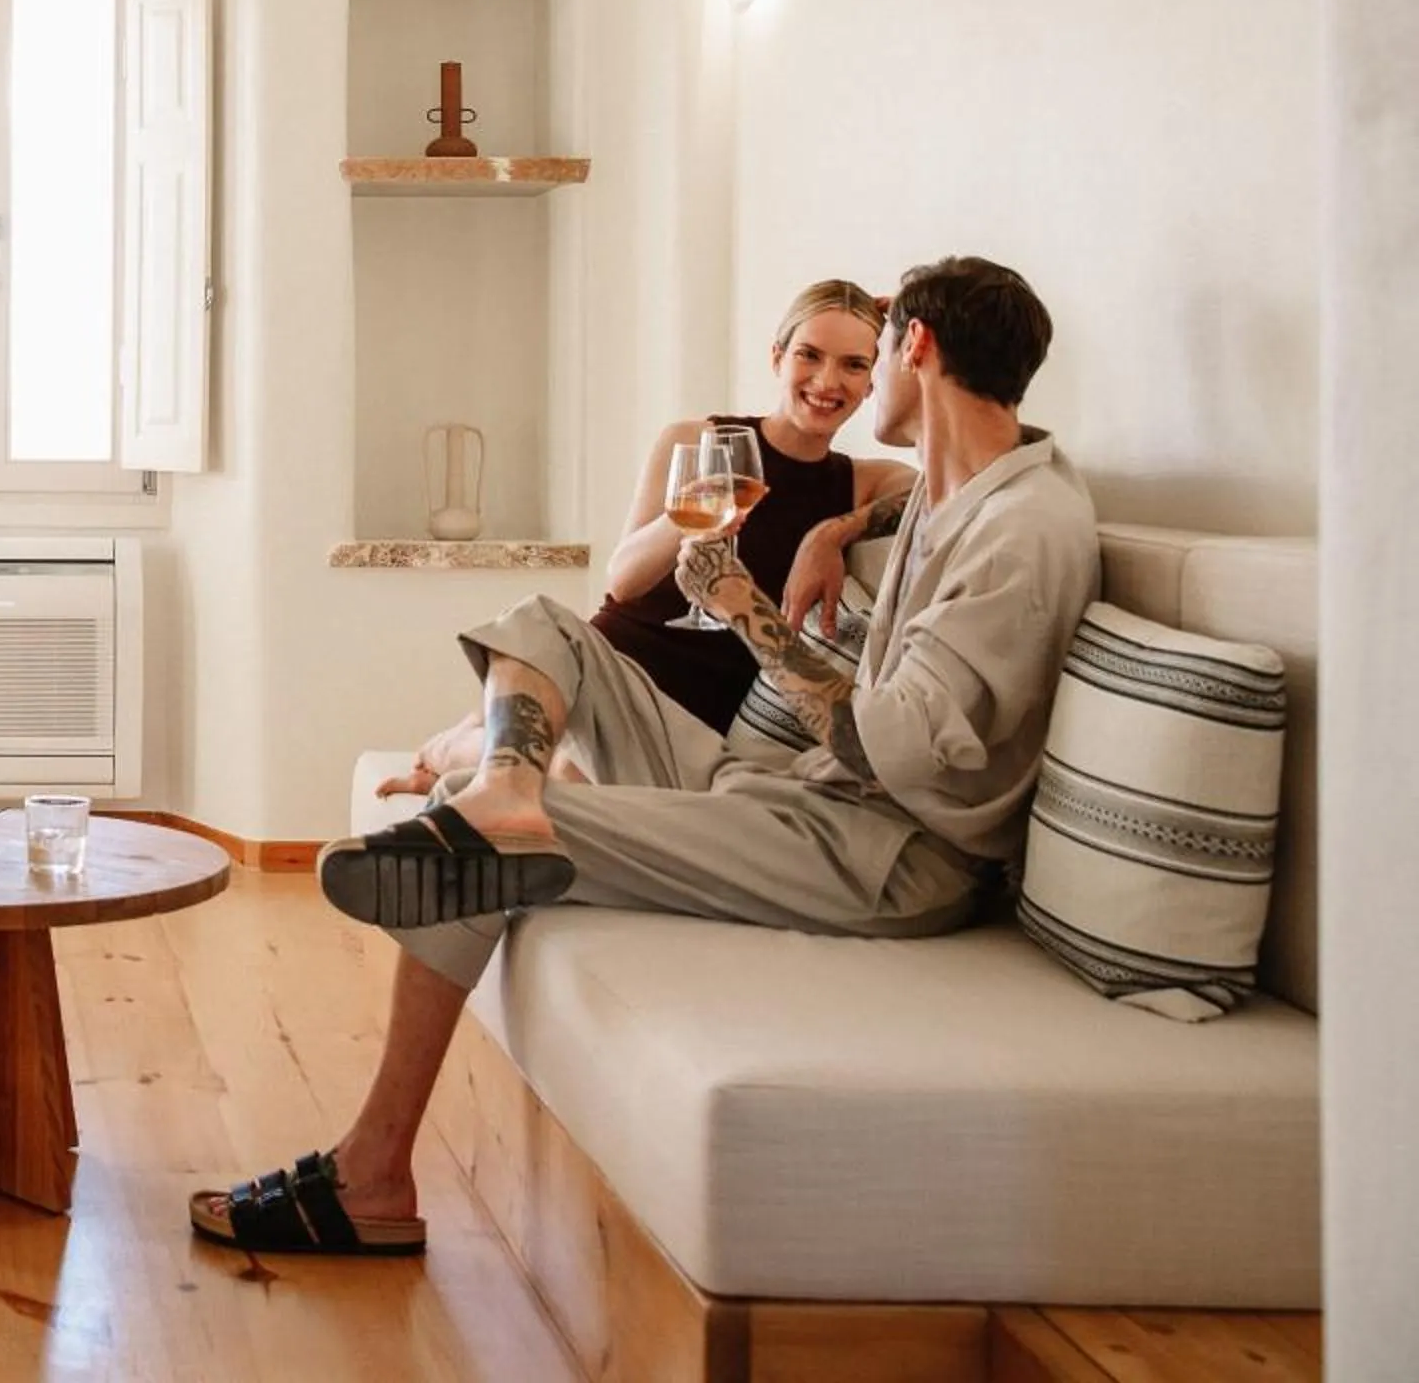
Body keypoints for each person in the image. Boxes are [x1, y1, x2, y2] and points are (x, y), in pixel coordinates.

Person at [189, 257, 1099, 1258]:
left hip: (883, 851)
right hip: (798, 793)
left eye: (871, 353)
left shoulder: (1021, 534)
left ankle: (370, 1173)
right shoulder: (958, 485)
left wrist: (744, 607)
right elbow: (878, 503)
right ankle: (507, 780)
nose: (856, 378)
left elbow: (892, 751)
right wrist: (836, 530)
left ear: (914, 347)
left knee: (468, 837)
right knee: (542, 622)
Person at [389, 279, 914, 796]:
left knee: (568, 776)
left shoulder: (866, 482)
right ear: (777, 358)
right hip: (625, 659)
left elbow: (953, 475)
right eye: (809, 355)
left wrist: (829, 533)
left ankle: (466, 751)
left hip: (708, 704)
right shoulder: (695, 440)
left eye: (855, 364)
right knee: (565, 768)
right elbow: (623, 582)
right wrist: (684, 518)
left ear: (875, 380)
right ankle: (453, 750)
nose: (827, 381)